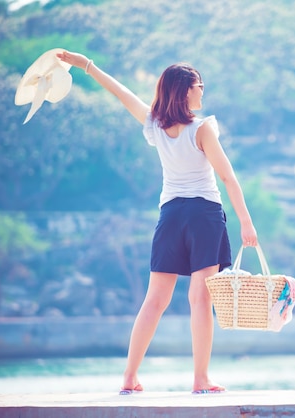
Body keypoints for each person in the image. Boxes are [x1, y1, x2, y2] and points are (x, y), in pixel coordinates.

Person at [56, 51, 258, 395]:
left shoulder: (155, 125)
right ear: (184, 91)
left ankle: (129, 377)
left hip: (170, 216)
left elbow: (122, 95)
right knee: (199, 299)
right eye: (199, 86)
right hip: (203, 215)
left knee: (154, 301)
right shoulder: (202, 127)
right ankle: (200, 380)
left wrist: (87, 65)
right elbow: (229, 178)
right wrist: (246, 224)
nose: (202, 91)